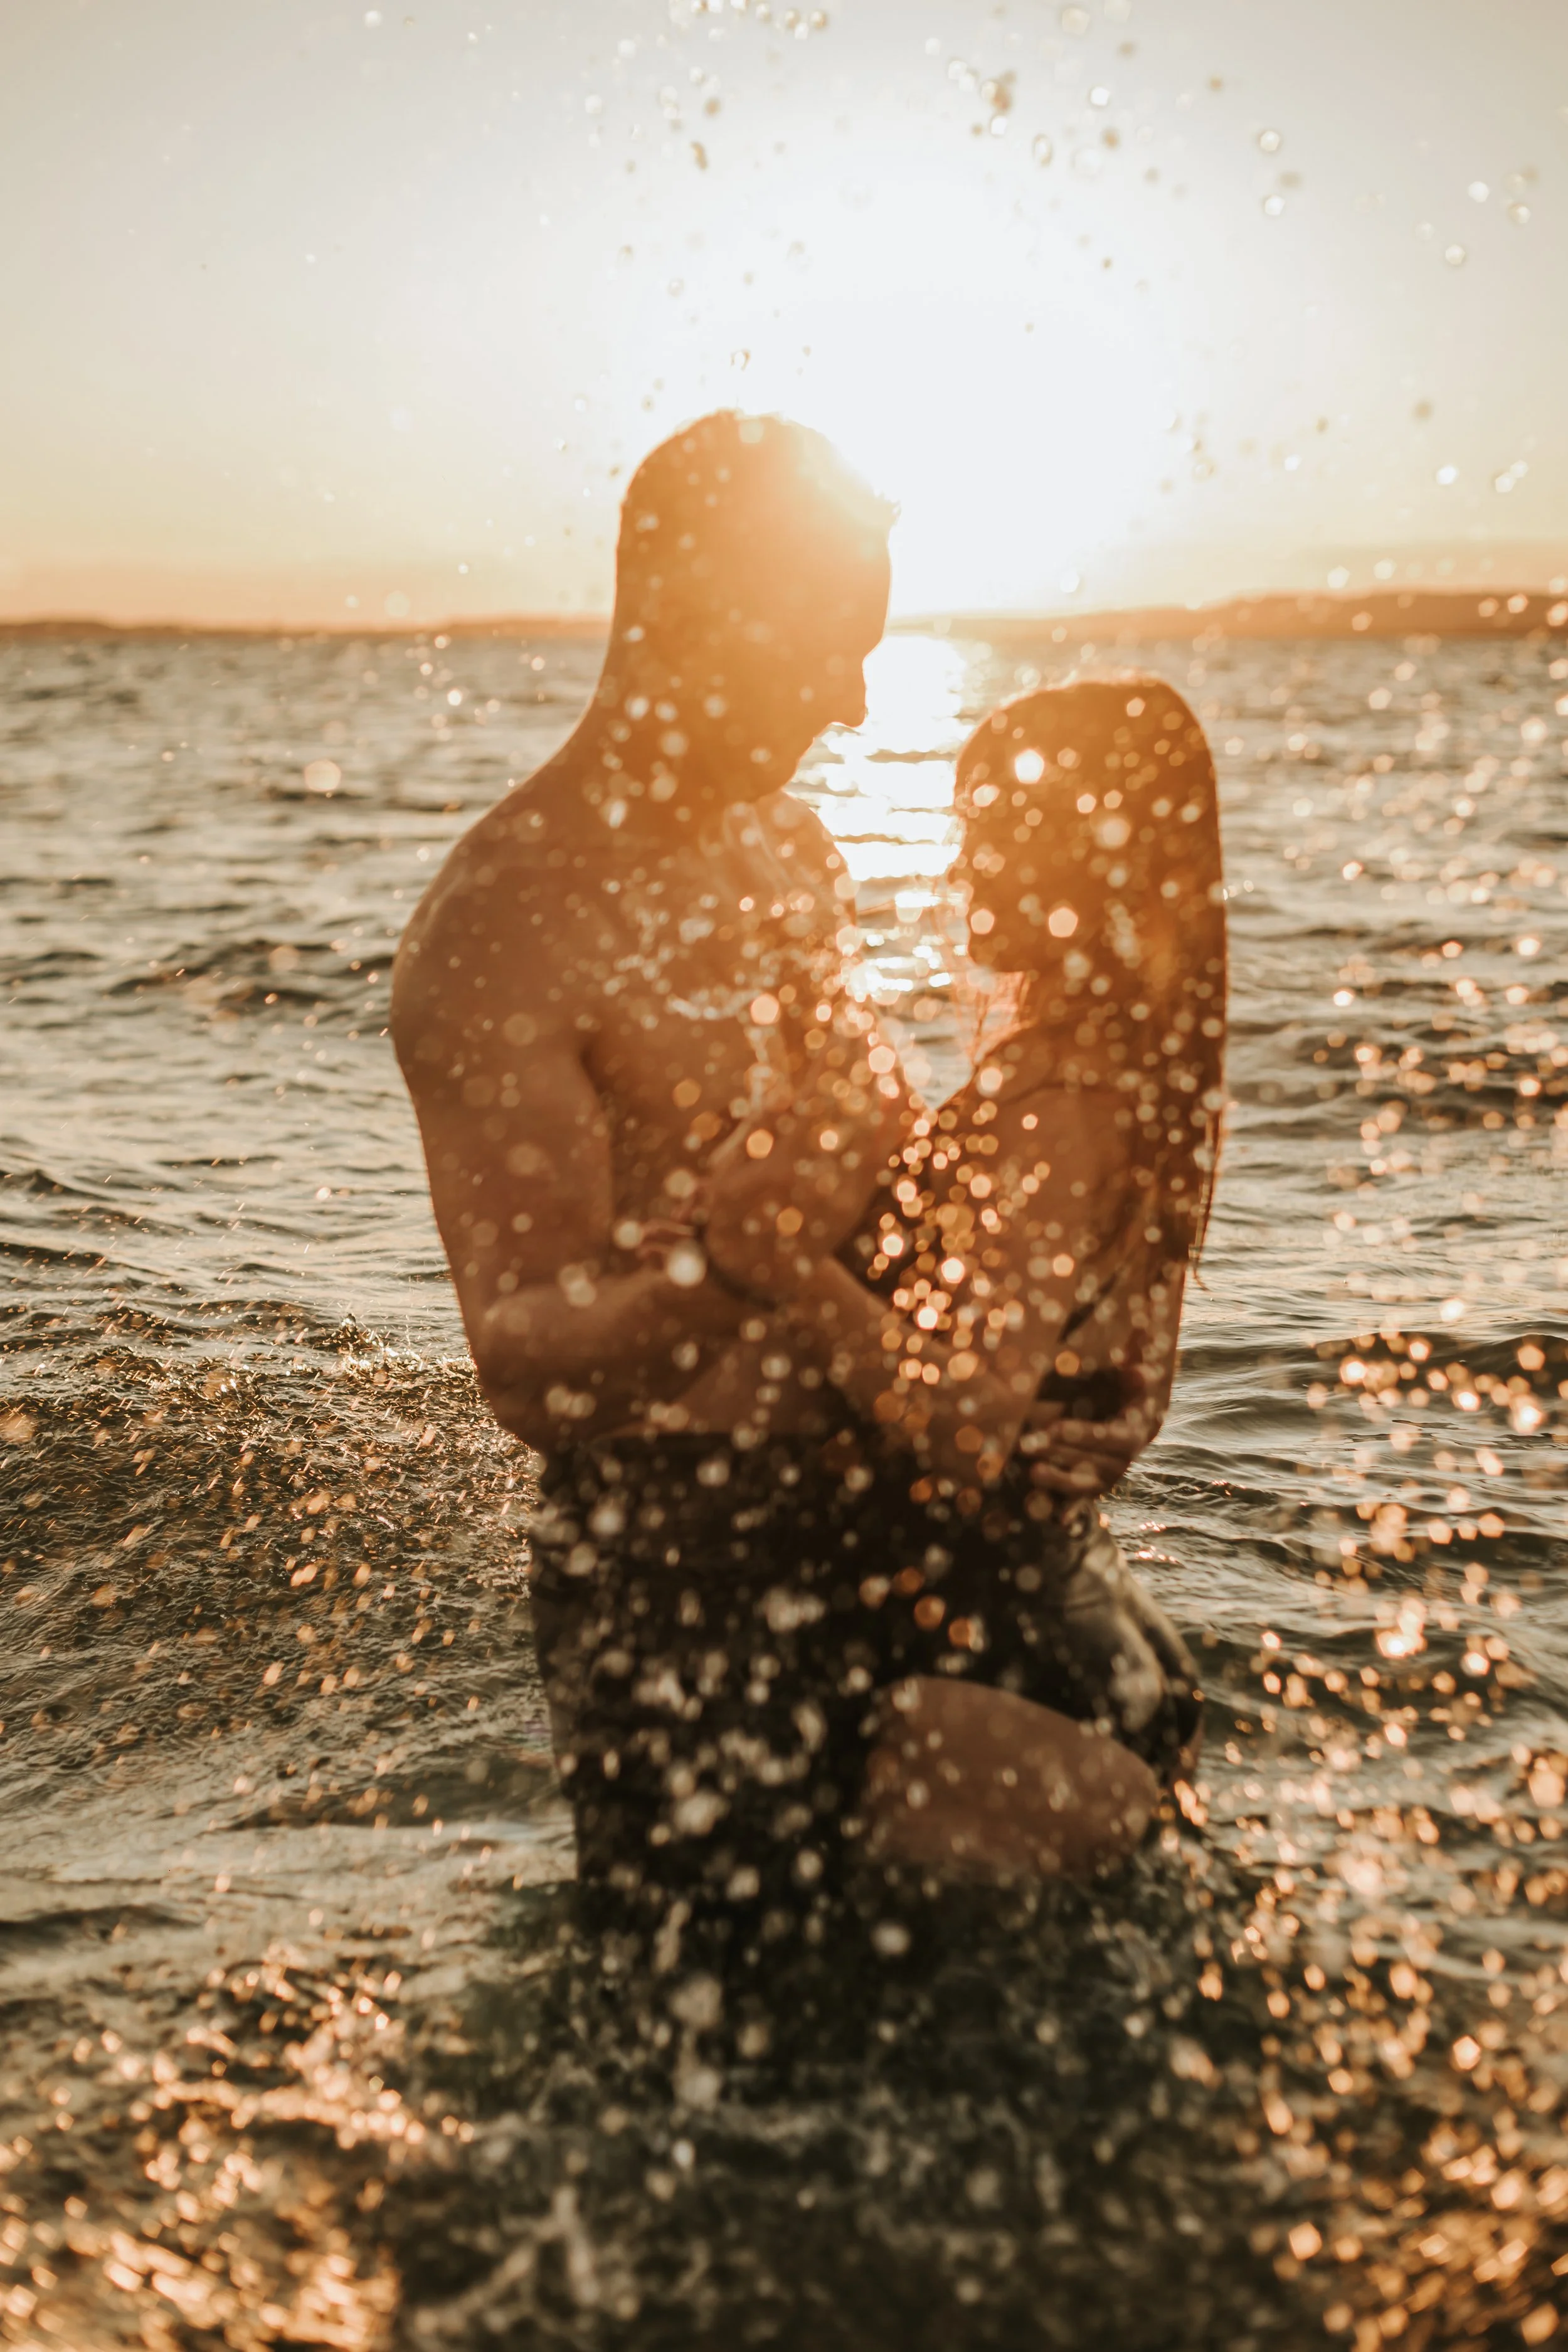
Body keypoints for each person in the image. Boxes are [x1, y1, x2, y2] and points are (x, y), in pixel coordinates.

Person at [777, 676, 1226, 1884]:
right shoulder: (1125, 1075)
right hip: (1080, 1635)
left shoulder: (1059, 1099)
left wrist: (780, 1269)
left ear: (1084, 853)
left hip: (992, 1673)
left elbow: (965, 1422)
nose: (963, 865)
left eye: (994, 830)